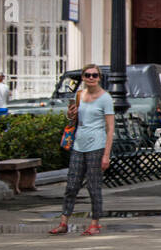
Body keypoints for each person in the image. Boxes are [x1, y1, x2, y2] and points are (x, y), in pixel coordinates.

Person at [49, 64, 114, 236]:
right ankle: (63, 222)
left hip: (97, 145)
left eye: (94, 75)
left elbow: (110, 128)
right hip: (79, 144)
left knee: (93, 186)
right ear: (83, 77)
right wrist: (71, 114)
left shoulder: (105, 98)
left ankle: (95, 223)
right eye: (87, 75)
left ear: (99, 78)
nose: (91, 78)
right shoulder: (79, 95)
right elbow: (73, 120)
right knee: (71, 185)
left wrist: (106, 155)